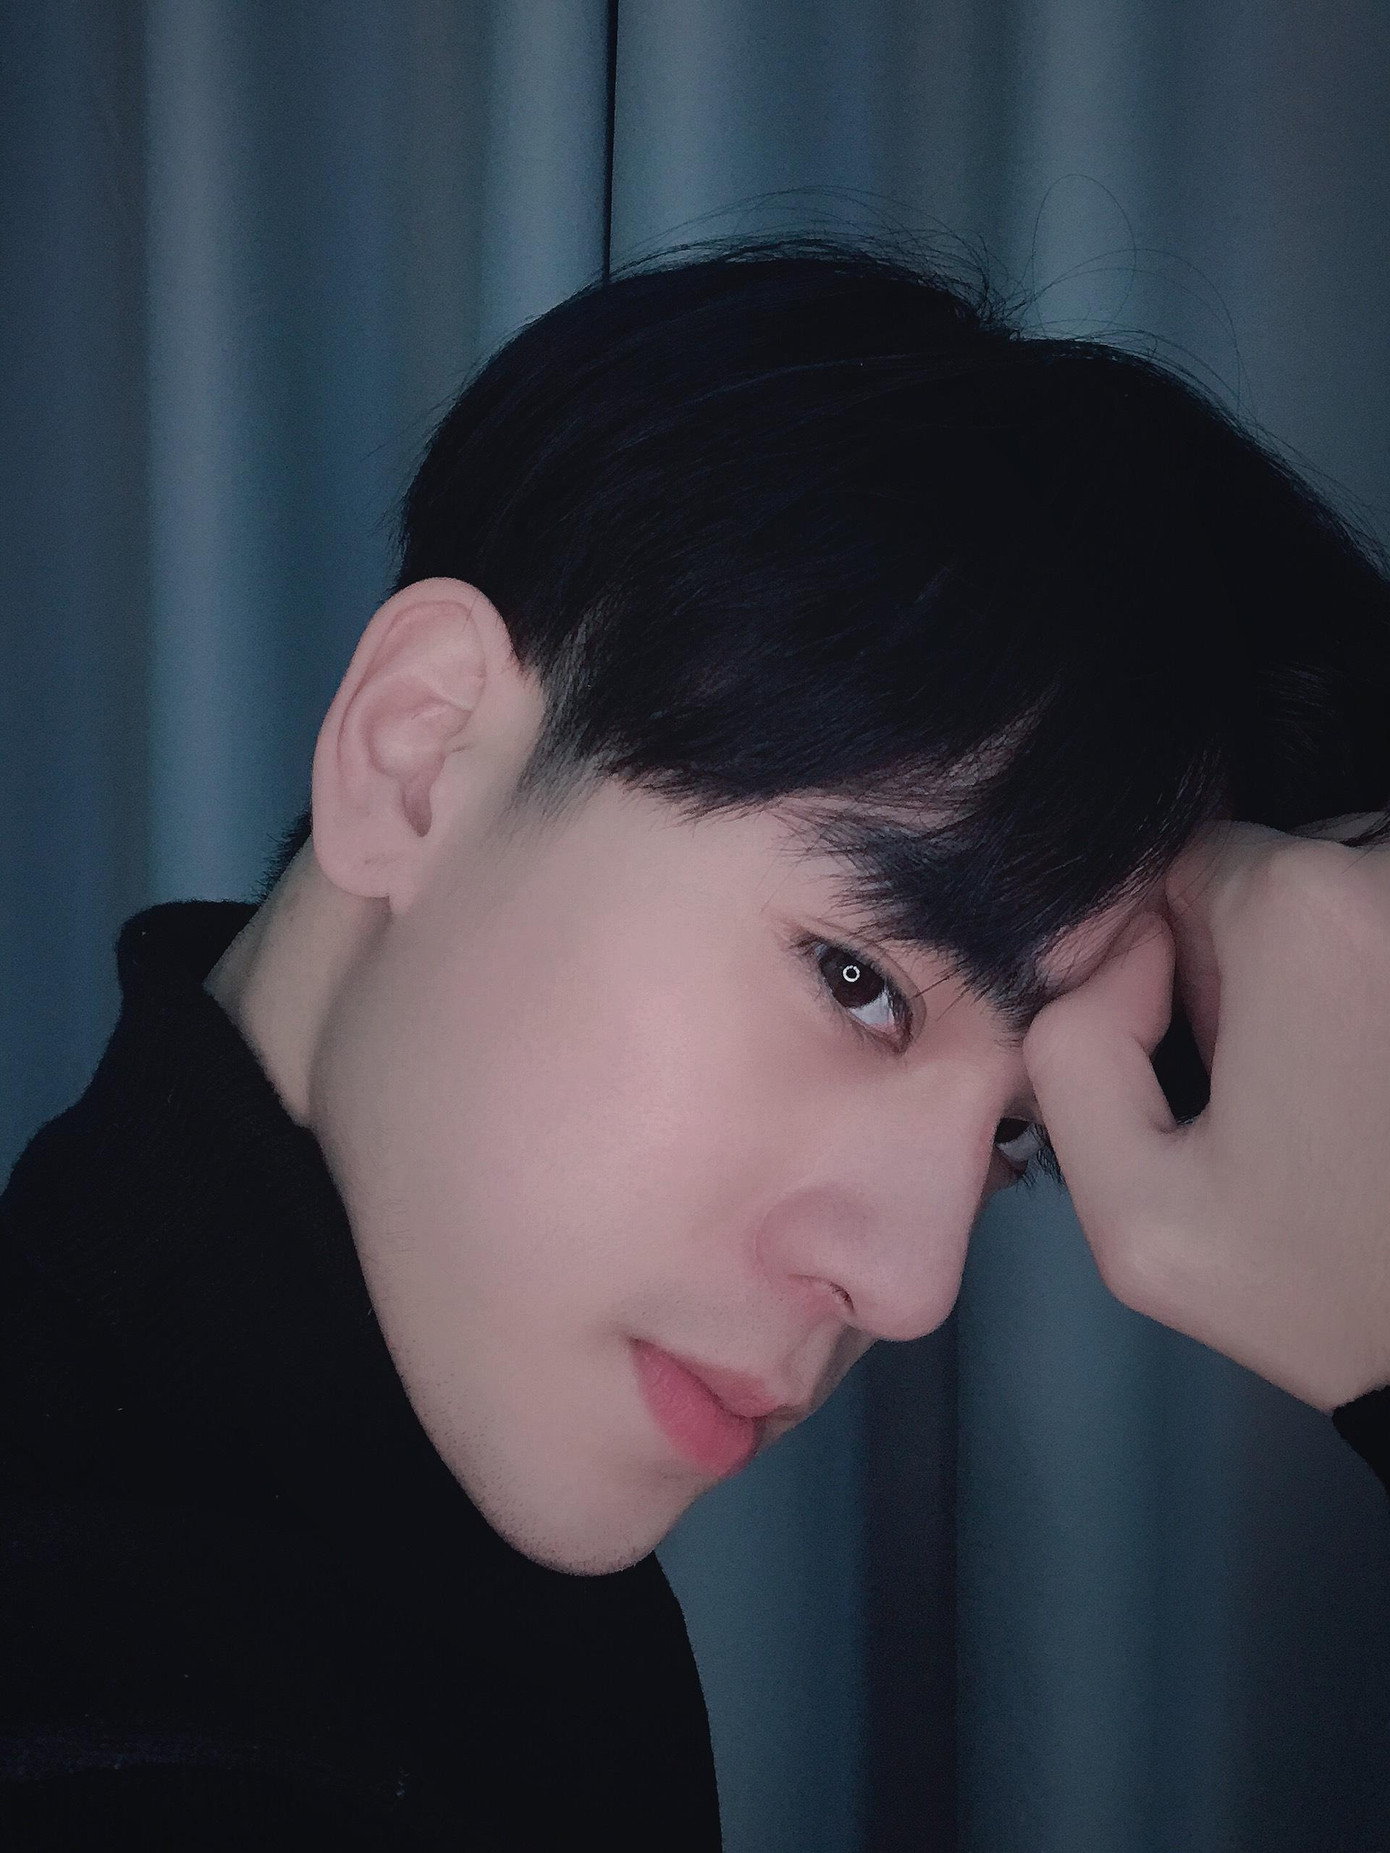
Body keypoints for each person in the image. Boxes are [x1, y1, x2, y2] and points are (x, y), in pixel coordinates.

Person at [3, 235, 1390, 1847]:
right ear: (417, 757)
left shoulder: (431, 1581)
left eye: (1012, 1137)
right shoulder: (113, 1709)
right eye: (857, 980)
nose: (909, 1285)